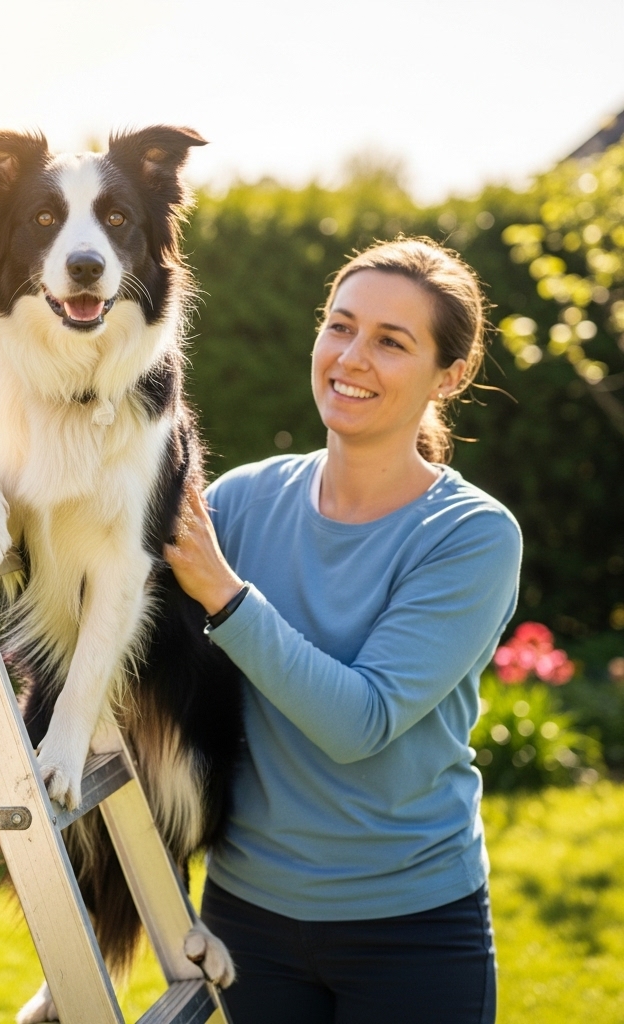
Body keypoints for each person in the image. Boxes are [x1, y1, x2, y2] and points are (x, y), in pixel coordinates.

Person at [165, 237, 521, 1024]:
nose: (352, 357)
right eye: (340, 326)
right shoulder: (243, 501)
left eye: (392, 342)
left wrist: (224, 595)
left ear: (449, 375)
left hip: (413, 932)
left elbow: (359, 723)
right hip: (244, 920)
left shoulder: (470, 535)